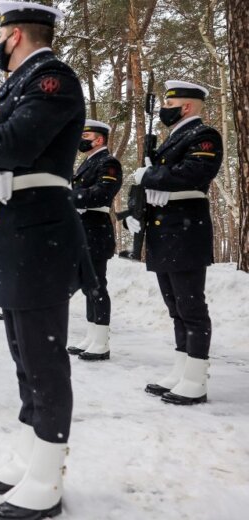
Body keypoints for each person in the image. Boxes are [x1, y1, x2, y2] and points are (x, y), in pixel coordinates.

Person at [0, 2, 89, 518]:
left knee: (44, 357)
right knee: (22, 354)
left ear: (12, 37)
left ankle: (49, 473)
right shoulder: (20, 84)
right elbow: (4, 150)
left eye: (0, 37)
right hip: (15, 230)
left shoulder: (53, 78)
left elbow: (11, 143)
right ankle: (30, 451)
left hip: (41, 234)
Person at [129, 80, 222, 405]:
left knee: (191, 306)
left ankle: (196, 378)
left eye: (170, 105)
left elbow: (193, 173)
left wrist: (149, 176)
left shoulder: (204, 136)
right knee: (175, 307)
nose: (164, 110)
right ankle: (182, 367)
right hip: (165, 230)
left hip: (186, 231)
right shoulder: (173, 139)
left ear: (184, 107)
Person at [67, 119, 123, 361]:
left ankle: (101, 340)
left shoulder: (107, 163)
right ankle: (92, 334)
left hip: (96, 229)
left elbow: (102, 193)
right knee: (90, 285)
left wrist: (71, 196)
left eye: (86, 135)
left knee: (97, 284)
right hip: (82, 229)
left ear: (98, 139)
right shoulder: (88, 163)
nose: (82, 140)